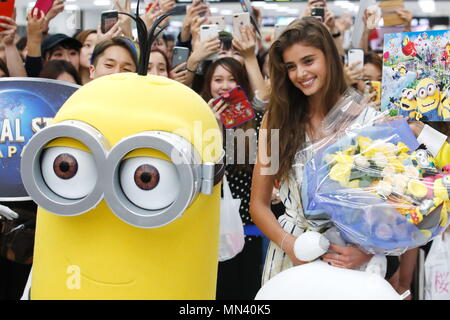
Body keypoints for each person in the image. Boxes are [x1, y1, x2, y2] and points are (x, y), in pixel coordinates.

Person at [250, 17, 375, 286]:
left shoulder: (365, 117)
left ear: (329, 56)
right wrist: (291, 245)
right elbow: (258, 205)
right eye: (291, 67)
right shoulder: (276, 120)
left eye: (308, 61)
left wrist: (367, 252)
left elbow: (391, 205)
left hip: (350, 260)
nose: (300, 74)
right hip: (291, 258)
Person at [201, 57, 264, 300]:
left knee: (247, 291)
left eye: (232, 79)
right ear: (209, 84)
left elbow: (249, 166)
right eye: (218, 80)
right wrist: (212, 127)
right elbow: (207, 170)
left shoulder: (254, 118)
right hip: (211, 228)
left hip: (248, 227)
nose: (225, 86)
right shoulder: (197, 117)